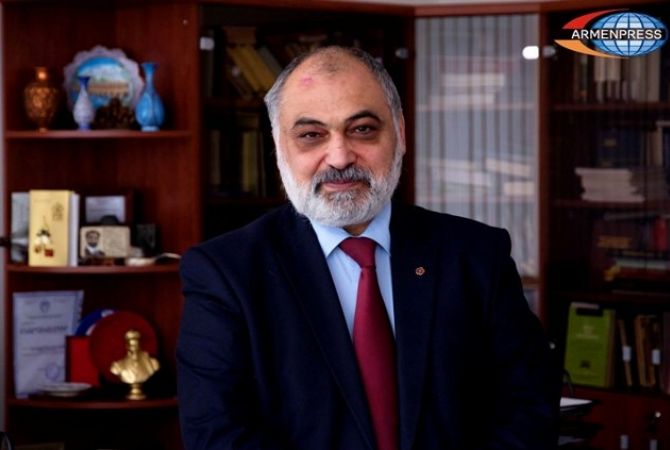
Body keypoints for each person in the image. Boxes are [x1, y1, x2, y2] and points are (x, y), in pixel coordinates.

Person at [177, 46, 560, 450]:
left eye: (362, 129)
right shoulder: (225, 274)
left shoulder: (477, 255)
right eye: (311, 135)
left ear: (400, 133)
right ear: (278, 147)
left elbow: (530, 408)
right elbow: (216, 436)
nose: (340, 157)